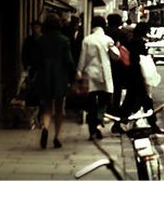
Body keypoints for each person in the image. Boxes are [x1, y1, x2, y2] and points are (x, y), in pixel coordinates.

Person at [32, 13, 75, 149]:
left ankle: (45, 128)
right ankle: (56, 137)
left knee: (47, 107)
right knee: (59, 108)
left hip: (44, 76)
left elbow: (36, 61)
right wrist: (74, 73)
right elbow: (68, 60)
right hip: (59, 77)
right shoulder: (64, 40)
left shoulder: (40, 40)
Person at [117, 22, 164, 134]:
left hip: (133, 76)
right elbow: (138, 60)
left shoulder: (132, 41)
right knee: (145, 101)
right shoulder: (138, 42)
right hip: (137, 76)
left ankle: (119, 124)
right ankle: (153, 125)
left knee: (131, 102)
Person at [76, 15, 115, 140]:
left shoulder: (87, 40)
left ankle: (92, 129)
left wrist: (79, 71)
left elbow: (83, 58)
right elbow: (117, 56)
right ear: (104, 25)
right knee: (104, 100)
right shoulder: (108, 40)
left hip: (90, 74)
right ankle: (99, 120)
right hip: (104, 74)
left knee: (91, 102)